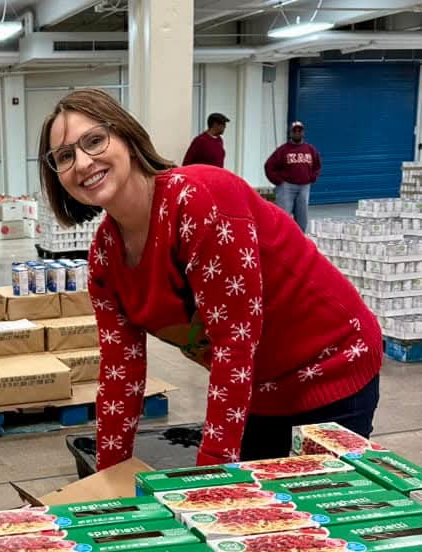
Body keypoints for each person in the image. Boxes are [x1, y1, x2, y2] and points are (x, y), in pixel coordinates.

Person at [37, 89, 382, 471]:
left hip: (332, 365)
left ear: (127, 139)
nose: (83, 162)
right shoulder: (105, 257)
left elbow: (234, 344)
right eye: (64, 156)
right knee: (255, 502)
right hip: (257, 388)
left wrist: (212, 474)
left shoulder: (198, 201)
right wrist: (107, 479)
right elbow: (121, 374)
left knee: (314, 501)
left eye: (94, 141)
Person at [264, 121, 321, 233]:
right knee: (284, 215)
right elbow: (269, 166)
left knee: (302, 217)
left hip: (304, 186)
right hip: (287, 187)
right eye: (295, 131)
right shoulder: (283, 150)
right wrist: (278, 181)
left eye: (299, 131)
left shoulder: (310, 149)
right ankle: (282, 237)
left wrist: (312, 177)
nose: (297, 133)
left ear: (303, 133)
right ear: (290, 133)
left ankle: (300, 238)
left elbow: (317, 165)